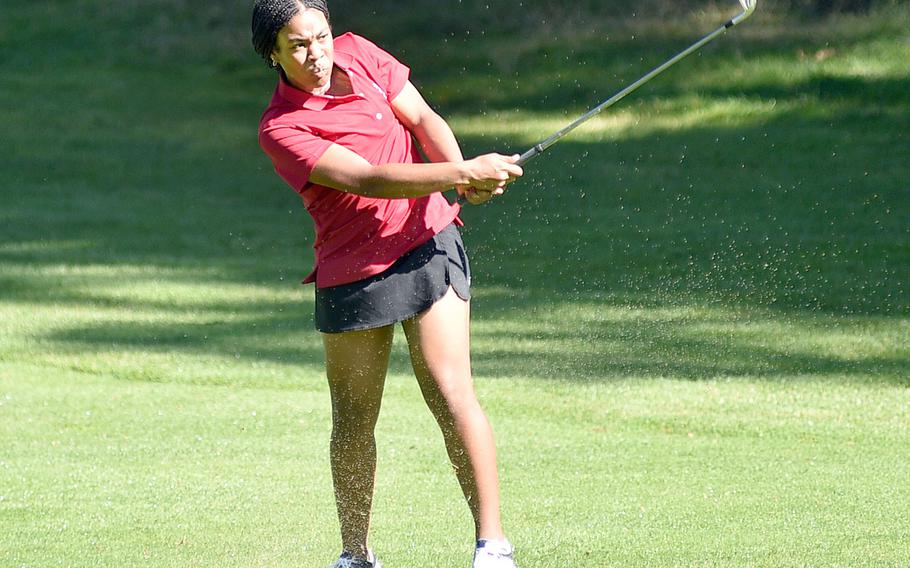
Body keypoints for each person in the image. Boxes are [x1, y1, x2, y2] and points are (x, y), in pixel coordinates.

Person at [251, 2, 523, 567]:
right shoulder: (282, 128)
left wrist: (461, 176)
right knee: (353, 419)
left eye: (320, 37)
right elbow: (368, 178)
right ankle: (356, 554)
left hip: (427, 242)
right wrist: (462, 173)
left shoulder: (360, 52)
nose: (316, 53)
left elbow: (422, 120)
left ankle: (491, 547)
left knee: (450, 394)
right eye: (297, 45)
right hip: (352, 270)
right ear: (272, 54)